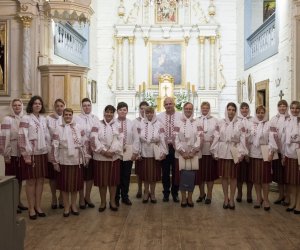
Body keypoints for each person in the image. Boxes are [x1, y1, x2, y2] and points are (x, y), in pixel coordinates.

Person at [50, 108, 90, 217]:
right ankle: (66, 206)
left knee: (75, 185)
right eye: (66, 115)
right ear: (63, 116)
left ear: (72, 116)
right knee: (65, 185)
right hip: (64, 160)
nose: (68, 116)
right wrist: (55, 162)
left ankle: (73, 205)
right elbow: (54, 146)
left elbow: (85, 142)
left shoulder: (78, 127)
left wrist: (85, 157)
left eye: (70, 115)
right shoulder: (58, 128)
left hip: (77, 160)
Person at [210, 102, 247, 209]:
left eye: (233, 110)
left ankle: (232, 199)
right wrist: (214, 151)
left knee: (234, 177)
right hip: (222, 152)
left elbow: (243, 139)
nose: (231, 112)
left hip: (235, 151)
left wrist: (241, 153)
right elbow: (216, 137)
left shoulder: (240, 123)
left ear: (235, 111)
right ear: (226, 110)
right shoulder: (220, 122)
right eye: (229, 109)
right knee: (224, 177)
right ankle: (226, 198)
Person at [18, 96, 50, 220]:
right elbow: (22, 137)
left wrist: (49, 151)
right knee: (31, 181)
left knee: (41, 180)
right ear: (31, 105)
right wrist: (26, 155)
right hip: (31, 153)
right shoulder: (26, 118)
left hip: (42, 153)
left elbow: (47, 136)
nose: (37, 105)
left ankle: (38, 206)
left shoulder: (43, 119)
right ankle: (31, 208)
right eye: (35, 103)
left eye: (39, 103)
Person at [90, 105, 122, 212]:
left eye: (111, 112)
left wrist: (112, 151)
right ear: (104, 113)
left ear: (114, 114)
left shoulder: (118, 124)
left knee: (113, 181)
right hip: (100, 157)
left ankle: (112, 201)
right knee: (102, 182)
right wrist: (103, 151)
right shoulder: (97, 124)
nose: (109, 114)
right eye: (107, 112)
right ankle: (103, 202)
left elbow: (120, 139)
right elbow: (93, 139)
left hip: (114, 157)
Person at [0, 99, 28, 213]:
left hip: (21, 152)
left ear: (22, 106)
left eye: (19, 105)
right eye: (15, 105)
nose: (17, 107)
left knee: (20, 179)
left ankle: (18, 201)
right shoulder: (7, 119)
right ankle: (11, 203)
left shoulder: (24, 118)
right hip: (11, 153)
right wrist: (6, 153)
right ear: (11, 107)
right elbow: (4, 136)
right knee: (12, 178)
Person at [248, 106, 277, 211]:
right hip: (254, 153)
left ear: (265, 113)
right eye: (258, 112)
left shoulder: (269, 124)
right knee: (256, 178)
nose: (260, 114)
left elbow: (272, 139)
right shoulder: (252, 124)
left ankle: (266, 200)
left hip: (265, 151)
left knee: (265, 179)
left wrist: (271, 153)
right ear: (256, 113)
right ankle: (258, 198)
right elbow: (248, 139)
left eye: (262, 112)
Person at [137, 106, 167, 203]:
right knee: (145, 175)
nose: (149, 114)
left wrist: (164, 151)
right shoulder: (140, 123)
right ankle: (146, 193)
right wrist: (137, 152)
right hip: (144, 152)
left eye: (151, 112)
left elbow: (162, 139)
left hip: (155, 153)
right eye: (147, 112)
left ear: (154, 113)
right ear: (145, 113)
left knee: (153, 176)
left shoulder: (159, 124)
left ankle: (153, 193)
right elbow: (137, 139)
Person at [74, 98, 99, 209]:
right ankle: (80, 199)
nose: (87, 107)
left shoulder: (96, 118)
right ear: (81, 106)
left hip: (93, 151)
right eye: (84, 105)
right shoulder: (76, 118)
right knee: (81, 176)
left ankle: (87, 197)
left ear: (91, 106)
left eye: (88, 105)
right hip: (80, 151)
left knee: (90, 176)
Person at [174, 102, 200, 207]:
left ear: (193, 110)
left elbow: (200, 137)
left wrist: (194, 151)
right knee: (182, 176)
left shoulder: (197, 122)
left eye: (190, 108)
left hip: (193, 153)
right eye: (186, 108)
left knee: (191, 176)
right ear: (183, 110)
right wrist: (182, 151)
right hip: (181, 154)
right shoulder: (177, 122)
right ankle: (183, 198)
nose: (188, 110)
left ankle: (190, 197)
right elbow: (175, 138)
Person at [157, 97, 181, 202]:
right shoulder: (159, 117)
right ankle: (166, 192)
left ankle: (175, 192)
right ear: (163, 105)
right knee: (165, 171)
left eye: (170, 103)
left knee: (176, 171)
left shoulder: (181, 116)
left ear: (174, 104)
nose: (168, 106)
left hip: (177, 148)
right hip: (164, 147)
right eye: (166, 104)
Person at [115, 102, 139, 206]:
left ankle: (125, 196)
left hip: (128, 152)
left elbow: (136, 138)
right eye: (120, 109)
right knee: (116, 176)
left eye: (124, 109)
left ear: (127, 111)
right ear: (117, 111)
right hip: (116, 153)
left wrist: (135, 152)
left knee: (126, 176)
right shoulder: (113, 123)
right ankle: (115, 197)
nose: (122, 111)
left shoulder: (131, 123)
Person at [195, 101, 218, 204]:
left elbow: (217, 135)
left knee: (209, 175)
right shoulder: (196, 120)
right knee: (200, 174)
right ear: (201, 109)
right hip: (199, 150)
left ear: (209, 109)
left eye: (206, 108)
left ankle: (209, 195)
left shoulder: (215, 120)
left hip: (210, 149)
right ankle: (201, 193)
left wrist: (214, 147)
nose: (205, 109)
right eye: (203, 108)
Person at [269, 100, 290, 205]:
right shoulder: (274, 119)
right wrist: (273, 148)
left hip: (287, 151)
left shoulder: (290, 119)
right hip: (277, 150)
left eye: (284, 106)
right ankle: (281, 195)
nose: (282, 108)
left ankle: (288, 197)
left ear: (287, 107)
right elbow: (271, 135)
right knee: (279, 175)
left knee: (287, 174)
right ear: (278, 107)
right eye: (280, 106)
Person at [46, 99, 65, 209]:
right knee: (52, 177)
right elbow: (46, 135)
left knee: (62, 176)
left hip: (63, 153)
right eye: (57, 106)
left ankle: (61, 197)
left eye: (61, 106)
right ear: (54, 107)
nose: (59, 108)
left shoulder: (67, 118)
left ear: (64, 106)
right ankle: (53, 197)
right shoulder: (48, 119)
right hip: (52, 150)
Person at [282, 101, 300, 214]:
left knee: (299, 181)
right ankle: (293, 202)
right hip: (289, 153)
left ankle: (299, 204)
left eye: (297, 108)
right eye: (292, 108)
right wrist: (284, 155)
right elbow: (284, 139)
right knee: (292, 181)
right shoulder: (287, 121)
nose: (295, 110)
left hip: (299, 154)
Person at [236, 102, 253, 203]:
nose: (244, 110)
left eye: (246, 108)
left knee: (249, 174)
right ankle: (239, 193)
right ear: (240, 110)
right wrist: (242, 152)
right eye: (242, 108)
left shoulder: (253, 120)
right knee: (239, 174)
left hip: (251, 151)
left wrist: (248, 153)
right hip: (240, 151)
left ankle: (249, 194)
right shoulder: (236, 120)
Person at [133, 101, 149, 198]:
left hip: (148, 150)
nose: (143, 111)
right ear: (139, 110)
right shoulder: (135, 122)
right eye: (141, 109)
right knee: (139, 172)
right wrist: (136, 151)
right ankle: (139, 189)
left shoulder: (152, 120)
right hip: (139, 149)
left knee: (148, 171)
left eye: (145, 109)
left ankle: (147, 190)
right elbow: (135, 137)